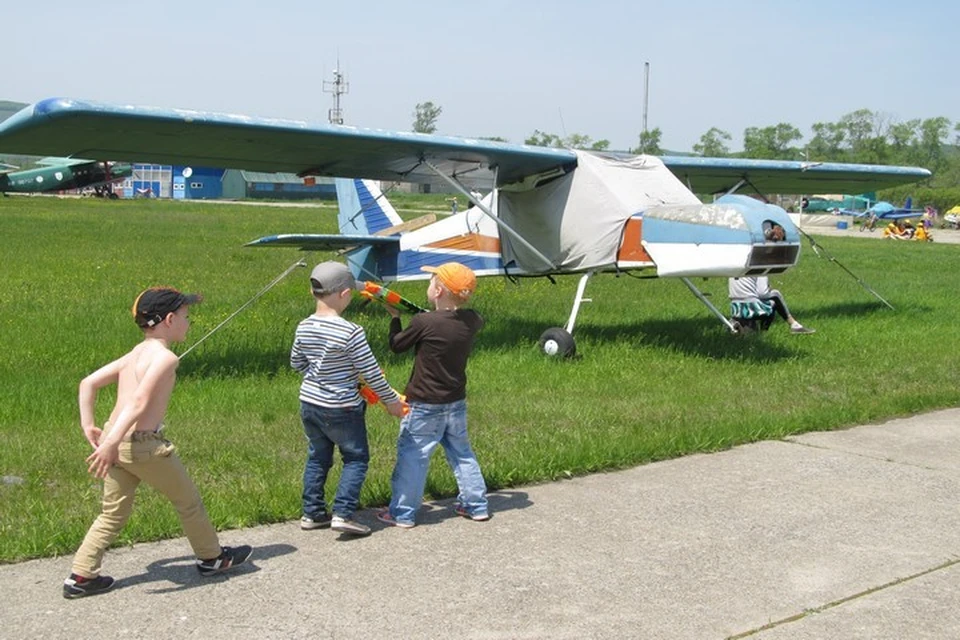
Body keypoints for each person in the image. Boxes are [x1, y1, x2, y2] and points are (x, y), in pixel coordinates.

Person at [64, 288, 252, 599]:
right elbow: (138, 402)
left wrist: (91, 427)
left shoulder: (136, 353)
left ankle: (81, 576)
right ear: (168, 320)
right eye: (185, 317)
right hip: (143, 446)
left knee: (112, 513)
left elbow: (88, 383)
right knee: (188, 501)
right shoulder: (166, 358)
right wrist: (108, 442)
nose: (188, 323)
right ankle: (212, 558)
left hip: (118, 442)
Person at [291, 261, 406, 537]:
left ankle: (313, 513)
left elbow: (297, 363)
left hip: (310, 403)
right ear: (344, 294)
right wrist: (390, 400)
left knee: (318, 457)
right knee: (356, 458)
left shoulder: (304, 326)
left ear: (313, 292)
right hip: (342, 407)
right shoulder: (351, 332)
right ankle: (342, 513)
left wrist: (321, 376)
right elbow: (371, 373)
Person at [376, 262, 489, 529]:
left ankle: (402, 512)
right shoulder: (472, 320)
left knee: (414, 456)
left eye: (430, 282)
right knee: (462, 453)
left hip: (424, 405)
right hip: (455, 402)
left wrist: (394, 317)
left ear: (438, 291)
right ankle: (476, 505)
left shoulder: (422, 321)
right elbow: (447, 322)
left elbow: (397, 345)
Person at [729, 275, 815, 334]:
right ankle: (793, 325)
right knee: (775, 295)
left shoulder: (735, 265)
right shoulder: (758, 265)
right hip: (751, 309)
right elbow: (763, 293)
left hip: (735, 309)